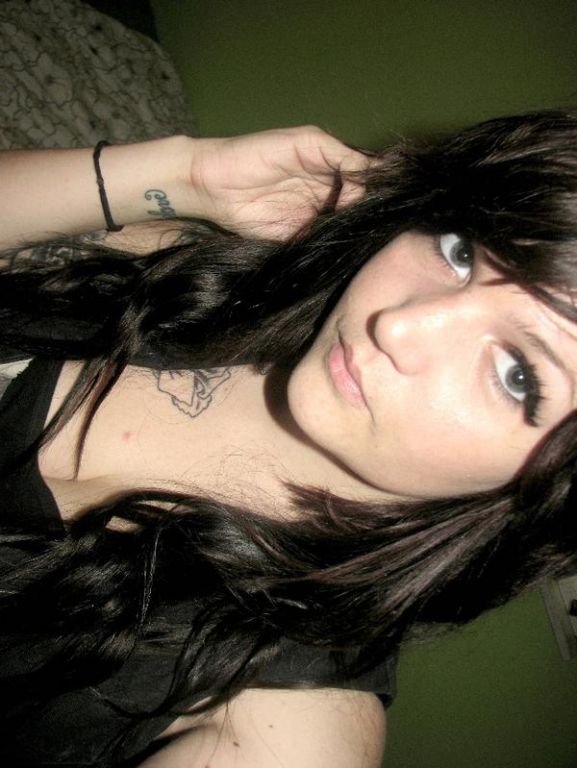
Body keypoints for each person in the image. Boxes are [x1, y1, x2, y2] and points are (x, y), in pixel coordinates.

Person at [1, 110, 577, 767]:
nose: (400, 325)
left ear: (553, 496)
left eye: (517, 375)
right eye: (459, 251)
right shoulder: (197, 275)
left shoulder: (282, 731)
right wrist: (183, 174)